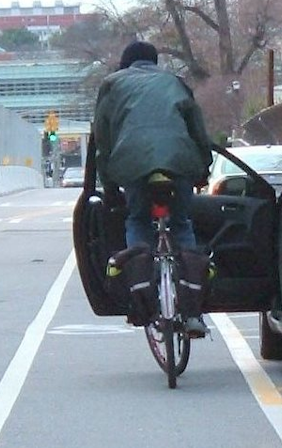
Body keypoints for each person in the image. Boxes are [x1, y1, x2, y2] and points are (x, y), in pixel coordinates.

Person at [92, 41, 214, 336]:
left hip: (132, 164)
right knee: (182, 222)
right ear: (155, 61)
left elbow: (103, 140)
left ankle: (140, 293)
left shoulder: (111, 85)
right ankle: (193, 309)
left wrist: (108, 184)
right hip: (179, 160)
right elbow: (198, 130)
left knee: (137, 220)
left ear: (126, 63)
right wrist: (203, 168)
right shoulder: (175, 83)